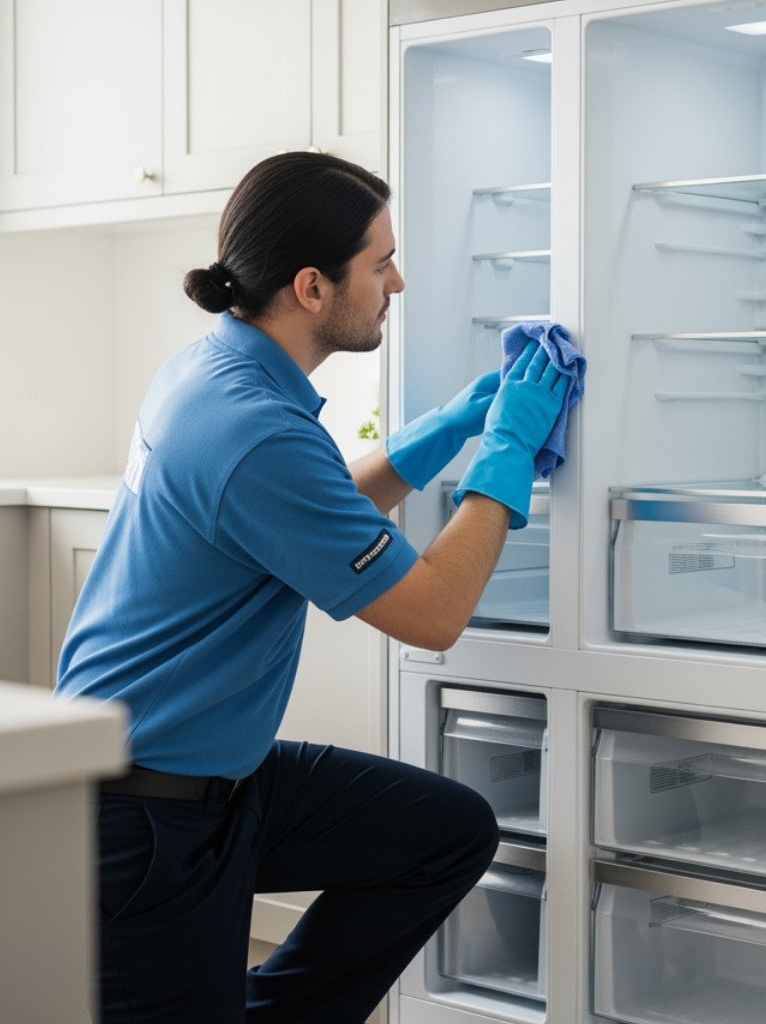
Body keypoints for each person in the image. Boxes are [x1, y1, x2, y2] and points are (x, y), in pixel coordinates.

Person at [56, 152, 569, 1023]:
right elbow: (434, 614)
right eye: (380, 264)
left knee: (444, 834)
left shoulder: (215, 370)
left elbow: (307, 517)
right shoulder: (250, 426)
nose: (396, 282)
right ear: (311, 287)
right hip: (148, 817)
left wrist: (447, 428)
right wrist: (507, 453)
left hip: (217, 782)